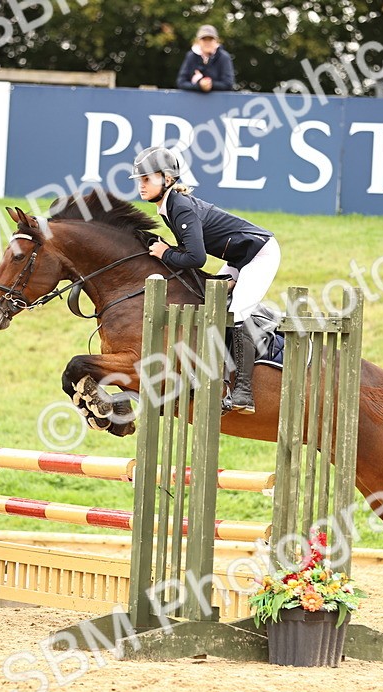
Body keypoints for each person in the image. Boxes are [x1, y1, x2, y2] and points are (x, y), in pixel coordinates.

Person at [131, 146, 279, 414]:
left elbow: (196, 258)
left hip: (259, 254)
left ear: (167, 179)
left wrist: (165, 254)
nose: (141, 185)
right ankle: (209, 376)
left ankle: (244, 393)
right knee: (208, 303)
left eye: (147, 179)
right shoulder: (169, 207)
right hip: (238, 258)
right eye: (139, 179)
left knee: (237, 313)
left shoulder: (180, 207)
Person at [176, 24, 235, 93]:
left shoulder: (224, 57)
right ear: (198, 41)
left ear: (216, 41)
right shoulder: (190, 56)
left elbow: (228, 84)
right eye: (204, 39)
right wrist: (199, 85)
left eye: (210, 39)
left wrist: (210, 84)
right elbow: (181, 82)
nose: (207, 42)